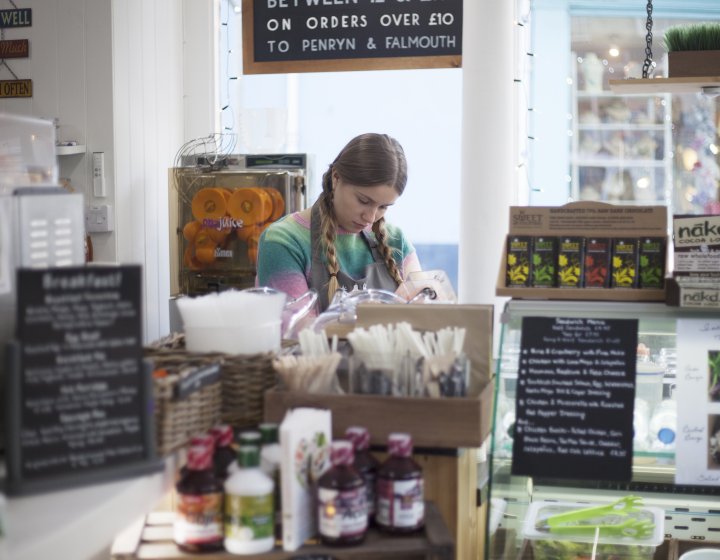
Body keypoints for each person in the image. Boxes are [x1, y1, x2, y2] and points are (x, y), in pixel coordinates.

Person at [256, 132, 421, 313]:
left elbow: (423, 312)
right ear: (336, 178)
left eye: (383, 207)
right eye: (363, 201)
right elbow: (297, 330)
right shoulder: (283, 241)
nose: (371, 217)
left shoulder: (396, 241)